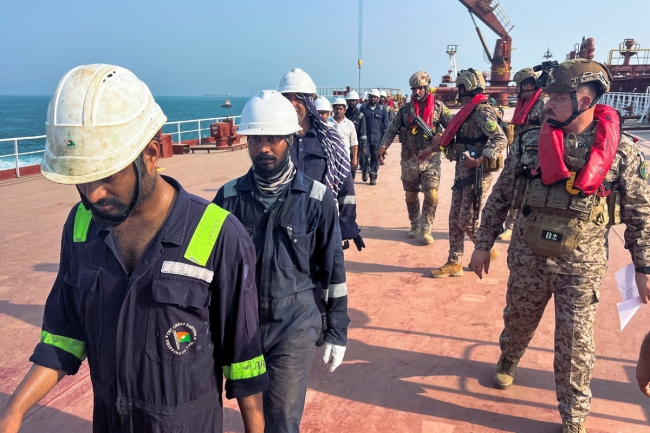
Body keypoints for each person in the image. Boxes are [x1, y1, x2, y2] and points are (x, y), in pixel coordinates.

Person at [0, 64, 267, 433]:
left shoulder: (219, 234)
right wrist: (13, 413)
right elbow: (64, 335)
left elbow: (244, 362)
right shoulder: (80, 227)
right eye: (81, 179)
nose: (93, 193)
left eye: (107, 175)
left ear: (151, 154)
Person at [469, 59, 650, 433]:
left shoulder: (622, 152)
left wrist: (644, 267)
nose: (547, 103)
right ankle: (509, 357)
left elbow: (640, 212)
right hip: (528, 258)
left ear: (584, 100)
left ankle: (573, 418)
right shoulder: (529, 143)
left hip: (581, 269)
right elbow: (501, 196)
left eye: (557, 97)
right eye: (548, 95)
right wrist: (483, 243)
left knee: (576, 345)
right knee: (517, 322)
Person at [213, 90, 349, 433]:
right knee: (251, 416)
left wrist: (337, 331)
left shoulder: (317, 199)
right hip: (242, 323)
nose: (264, 148)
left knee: (283, 417)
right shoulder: (227, 199)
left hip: (295, 321)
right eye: (256, 139)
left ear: (290, 139)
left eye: (273, 138)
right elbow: (207, 269)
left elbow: (333, 270)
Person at [425, 68, 507, 277]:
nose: (458, 93)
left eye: (460, 88)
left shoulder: (482, 112)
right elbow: (460, 142)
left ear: (465, 88)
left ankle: (486, 248)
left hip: (476, 173)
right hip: (462, 172)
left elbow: (500, 139)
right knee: (454, 218)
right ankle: (454, 262)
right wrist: (433, 148)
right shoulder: (466, 112)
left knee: (467, 219)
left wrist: (480, 159)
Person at [377, 71, 452, 244]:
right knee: (410, 196)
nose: (417, 92)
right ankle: (415, 224)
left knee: (431, 195)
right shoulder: (404, 110)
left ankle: (426, 228)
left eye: (420, 88)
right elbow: (392, 130)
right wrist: (383, 146)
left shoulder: (439, 108)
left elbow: (452, 127)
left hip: (430, 160)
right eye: (413, 89)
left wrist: (442, 136)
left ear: (427, 88)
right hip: (409, 159)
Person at [498, 67, 549, 241]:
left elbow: (549, 132)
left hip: (535, 159)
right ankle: (510, 226)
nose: (515, 89)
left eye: (518, 85)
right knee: (515, 189)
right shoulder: (525, 103)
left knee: (531, 192)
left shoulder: (543, 103)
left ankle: (529, 226)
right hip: (519, 155)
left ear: (527, 85)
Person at [360, 88, 390, 185]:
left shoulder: (382, 110)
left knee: (375, 157)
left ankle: (373, 176)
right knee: (364, 155)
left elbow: (386, 125)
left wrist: (384, 140)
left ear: (378, 98)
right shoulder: (363, 109)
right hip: (365, 138)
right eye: (371, 96)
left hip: (377, 138)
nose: (372, 98)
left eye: (374, 97)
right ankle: (365, 168)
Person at [330, 97, 359, 179]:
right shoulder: (328, 123)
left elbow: (354, 142)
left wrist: (355, 158)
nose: (338, 111)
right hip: (331, 159)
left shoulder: (350, 124)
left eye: (341, 109)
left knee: (345, 181)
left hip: (345, 159)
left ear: (344, 110)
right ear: (333, 110)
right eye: (336, 108)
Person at [345, 90, 367, 180]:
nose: (351, 103)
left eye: (353, 101)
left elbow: (363, 133)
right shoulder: (343, 115)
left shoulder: (361, 116)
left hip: (356, 145)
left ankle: (352, 180)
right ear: (346, 102)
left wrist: (363, 147)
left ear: (357, 101)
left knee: (354, 164)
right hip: (345, 143)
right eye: (349, 101)